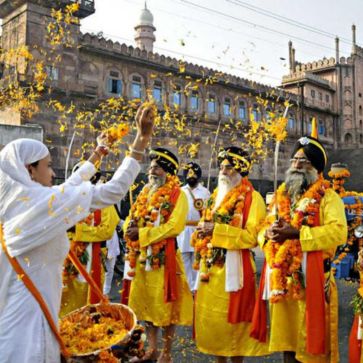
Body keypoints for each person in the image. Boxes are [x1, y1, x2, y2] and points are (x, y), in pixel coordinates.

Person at [0, 104, 154, 363]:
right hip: (30, 330)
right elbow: (113, 191)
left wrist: (99, 153)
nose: (53, 174)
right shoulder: (41, 204)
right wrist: (141, 140)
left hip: (15, 321)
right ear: (29, 170)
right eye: (48, 166)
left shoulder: (18, 204)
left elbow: (69, 187)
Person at [251, 136, 347, 363]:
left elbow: (338, 233)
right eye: (294, 160)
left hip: (312, 282)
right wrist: (269, 236)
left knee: (313, 350)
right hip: (283, 281)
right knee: (287, 345)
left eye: (302, 161)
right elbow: (262, 228)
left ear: (315, 167)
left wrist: (297, 234)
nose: (296, 165)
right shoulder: (282, 196)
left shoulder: (328, 197)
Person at [194, 147, 269, 363]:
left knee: (235, 325)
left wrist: (215, 231)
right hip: (211, 267)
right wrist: (203, 229)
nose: (223, 171)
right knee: (216, 323)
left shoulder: (253, 198)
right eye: (222, 167)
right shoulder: (216, 196)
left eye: (228, 167)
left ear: (240, 170)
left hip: (235, 270)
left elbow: (250, 237)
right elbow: (207, 224)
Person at [123, 148, 193, 363]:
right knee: (147, 306)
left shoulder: (177, 194)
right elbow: (130, 217)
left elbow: (174, 226)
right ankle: (152, 349)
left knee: (166, 307)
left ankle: (167, 353)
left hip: (165, 258)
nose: (151, 170)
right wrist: (129, 226)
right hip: (142, 258)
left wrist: (142, 233)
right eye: (151, 166)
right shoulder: (144, 191)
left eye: (157, 167)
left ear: (168, 172)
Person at [177, 162, 210, 291]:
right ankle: (186, 288)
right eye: (188, 174)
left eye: (193, 173)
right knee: (184, 260)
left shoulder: (205, 192)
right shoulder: (180, 191)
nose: (191, 176)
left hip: (198, 230)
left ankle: (196, 289)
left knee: (197, 259)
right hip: (183, 230)